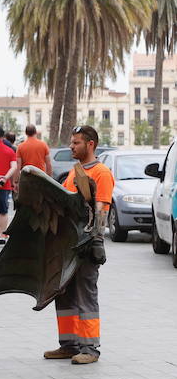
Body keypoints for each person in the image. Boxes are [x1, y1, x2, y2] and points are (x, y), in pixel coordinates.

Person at [44, 125, 112, 365]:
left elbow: (102, 210)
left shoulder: (101, 172)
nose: (71, 147)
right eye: (72, 143)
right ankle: (69, 344)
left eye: (76, 143)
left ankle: (89, 348)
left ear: (90, 144)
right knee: (64, 295)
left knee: (85, 295)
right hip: (68, 243)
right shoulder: (76, 172)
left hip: (86, 244)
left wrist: (95, 240)